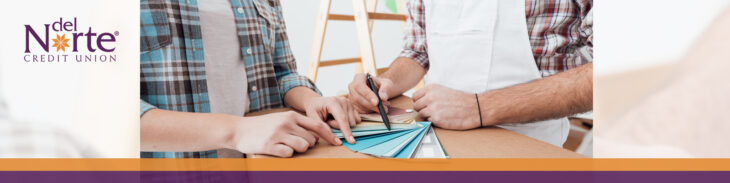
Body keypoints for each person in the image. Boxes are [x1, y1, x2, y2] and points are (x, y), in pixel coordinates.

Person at [348, 0, 593, 146]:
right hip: (438, 143)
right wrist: (387, 82)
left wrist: (478, 108)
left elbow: (615, 71)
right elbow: (417, 50)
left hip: (531, 150)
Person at [139, 0, 359, 158]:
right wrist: (238, 130)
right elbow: (108, 118)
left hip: (262, 165)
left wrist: (311, 100)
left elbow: (282, 73)